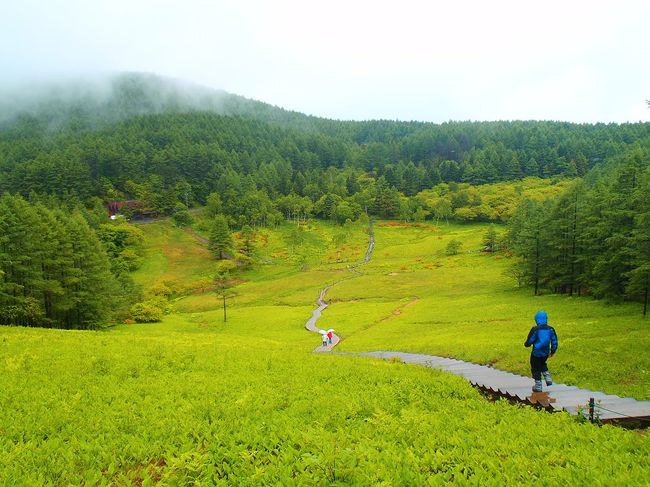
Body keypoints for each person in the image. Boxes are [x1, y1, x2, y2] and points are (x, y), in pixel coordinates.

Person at [524, 310, 558, 392]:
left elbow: (530, 340)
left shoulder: (535, 329)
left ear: (537, 319)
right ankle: (548, 377)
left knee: (535, 367)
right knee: (542, 363)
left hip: (536, 352)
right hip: (545, 352)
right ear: (546, 319)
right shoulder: (551, 329)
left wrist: (527, 344)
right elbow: (554, 341)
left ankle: (538, 386)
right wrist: (553, 351)